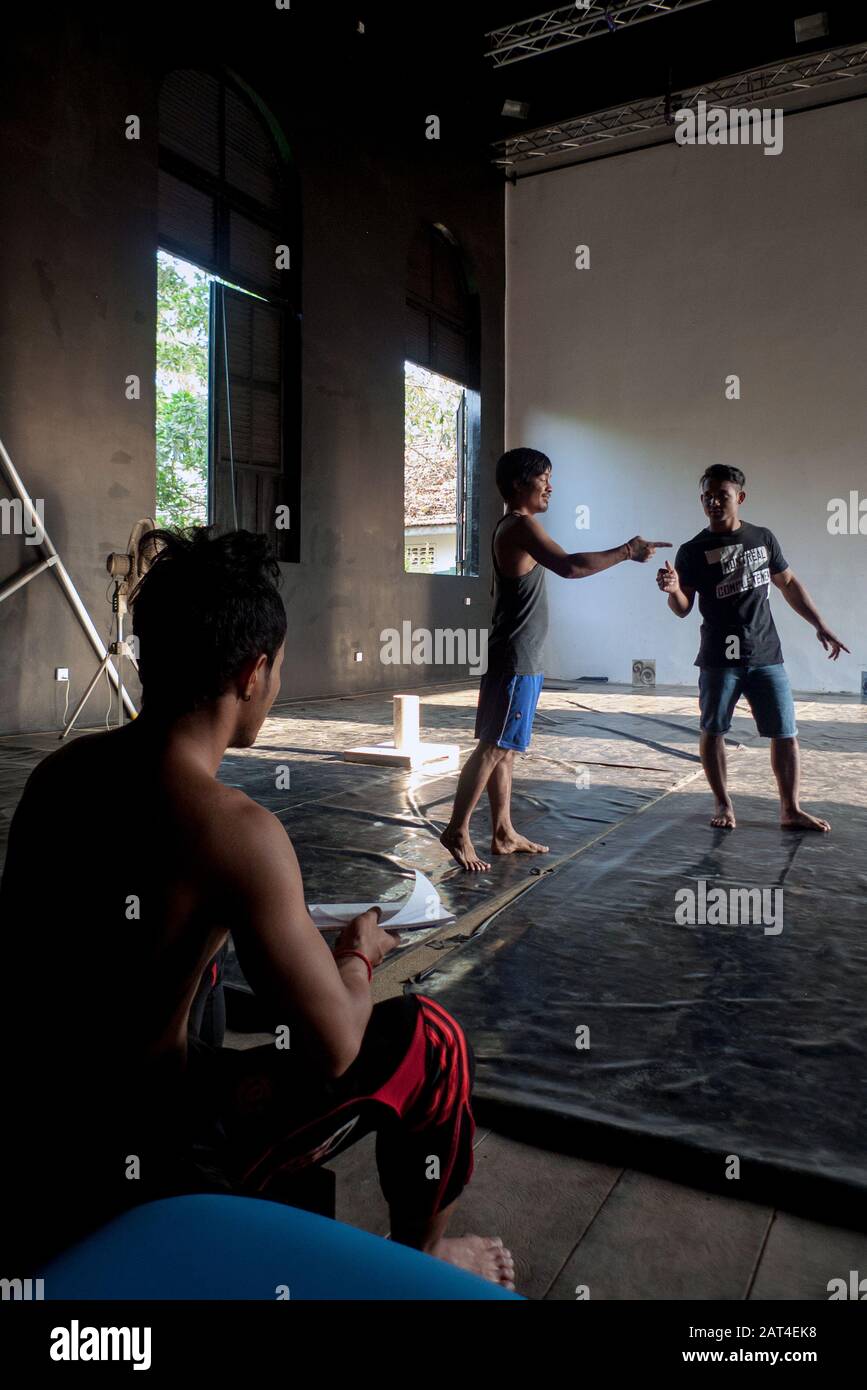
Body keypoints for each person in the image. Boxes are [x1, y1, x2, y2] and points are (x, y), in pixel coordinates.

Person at [0, 528, 514, 1290]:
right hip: (143, 1138)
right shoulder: (236, 831)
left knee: (202, 980)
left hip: (33, 1108)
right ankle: (418, 1262)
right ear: (252, 671)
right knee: (430, 1040)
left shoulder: (56, 775)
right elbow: (337, 1045)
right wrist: (359, 953)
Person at [440, 447, 670, 871]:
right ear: (517, 485)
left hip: (517, 655)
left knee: (505, 748)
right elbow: (570, 566)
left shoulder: (513, 525)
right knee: (493, 747)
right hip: (515, 657)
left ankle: (503, 831)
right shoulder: (520, 526)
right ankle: (457, 829)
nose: (551, 486)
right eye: (544, 477)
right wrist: (626, 551)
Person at [657, 464, 849, 831]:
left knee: (785, 732)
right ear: (701, 501)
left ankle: (790, 809)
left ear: (739, 498)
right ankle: (723, 804)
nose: (714, 502)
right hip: (718, 657)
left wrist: (820, 625)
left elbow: (788, 583)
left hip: (765, 654)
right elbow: (683, 609)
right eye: (708, 497)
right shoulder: (692, 550)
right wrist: (673, 591)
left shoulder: (762, 538)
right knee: (713, 729)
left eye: (722, 496)